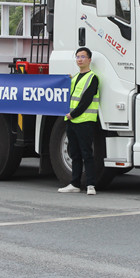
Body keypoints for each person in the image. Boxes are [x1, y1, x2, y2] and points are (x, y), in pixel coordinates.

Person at [58, 47, 100, 195]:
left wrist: (73, 114)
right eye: (77, 57)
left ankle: (90, 185)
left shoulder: (92, 78)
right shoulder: (75, 78)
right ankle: (74, 184)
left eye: (83, 57)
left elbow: (87, 100)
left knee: (87, 153)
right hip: (72, 122)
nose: (80, 59)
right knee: (74, 154)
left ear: (89, 59)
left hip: (84, 121)